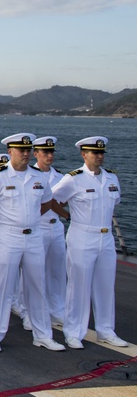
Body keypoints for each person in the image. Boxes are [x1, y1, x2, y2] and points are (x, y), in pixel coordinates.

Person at [0, 133, 65, 353]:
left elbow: (46, 204)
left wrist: (31, 219)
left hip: (34, 236)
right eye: (20, 150)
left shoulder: (38, 177)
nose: (25, 154)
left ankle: (42, 335)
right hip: (8, 236)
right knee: (1, 288)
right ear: (10, 152)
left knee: (37, 286)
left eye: (28, 150)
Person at [51, 136, 128, 349]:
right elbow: (50, 199)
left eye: (102, 153)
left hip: (106, 237)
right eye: (95, 153)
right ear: (84, 154)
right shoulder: (73, 179)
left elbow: (116, 202)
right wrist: (67, 216)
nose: (100, 156)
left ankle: (106, 330)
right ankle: (73, 332)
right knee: (79, 286)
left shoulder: (112, 179)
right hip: (82, 236)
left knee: (106, 286)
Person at [33, 136, 68, 327]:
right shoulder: (30, 175)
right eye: (45, 152)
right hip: (37, 226)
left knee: (57, 271)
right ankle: (28, 309)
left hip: (56, 227)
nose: (49, 155)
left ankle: (57, 309)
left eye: (51, 152)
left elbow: (65, 199)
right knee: (34, 271)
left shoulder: (61, 177)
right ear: (36, 154)